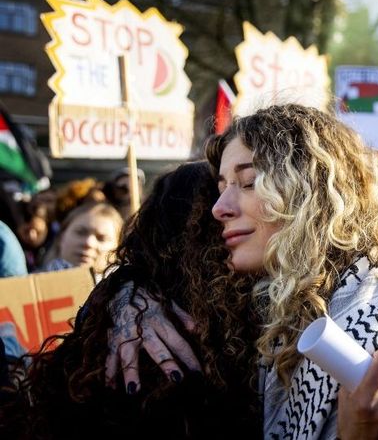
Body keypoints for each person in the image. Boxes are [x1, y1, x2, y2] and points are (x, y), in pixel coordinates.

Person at [107, 104, 378, 440]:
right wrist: (127, 293)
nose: (219, 209)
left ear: (312, 195)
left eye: (248, 182)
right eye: (220, 188)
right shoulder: (289, 314)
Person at [0, 161, 262, 439]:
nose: (231, 207)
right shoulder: (128, 318)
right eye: (225, 193)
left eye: (248, 187)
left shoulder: (262, 311)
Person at [41, 201, 123, 279]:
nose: (89, 243)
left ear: (117, 249)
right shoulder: (32, 287)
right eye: (80, 233)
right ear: (61, 237)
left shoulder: (129, 291)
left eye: (101, 238)